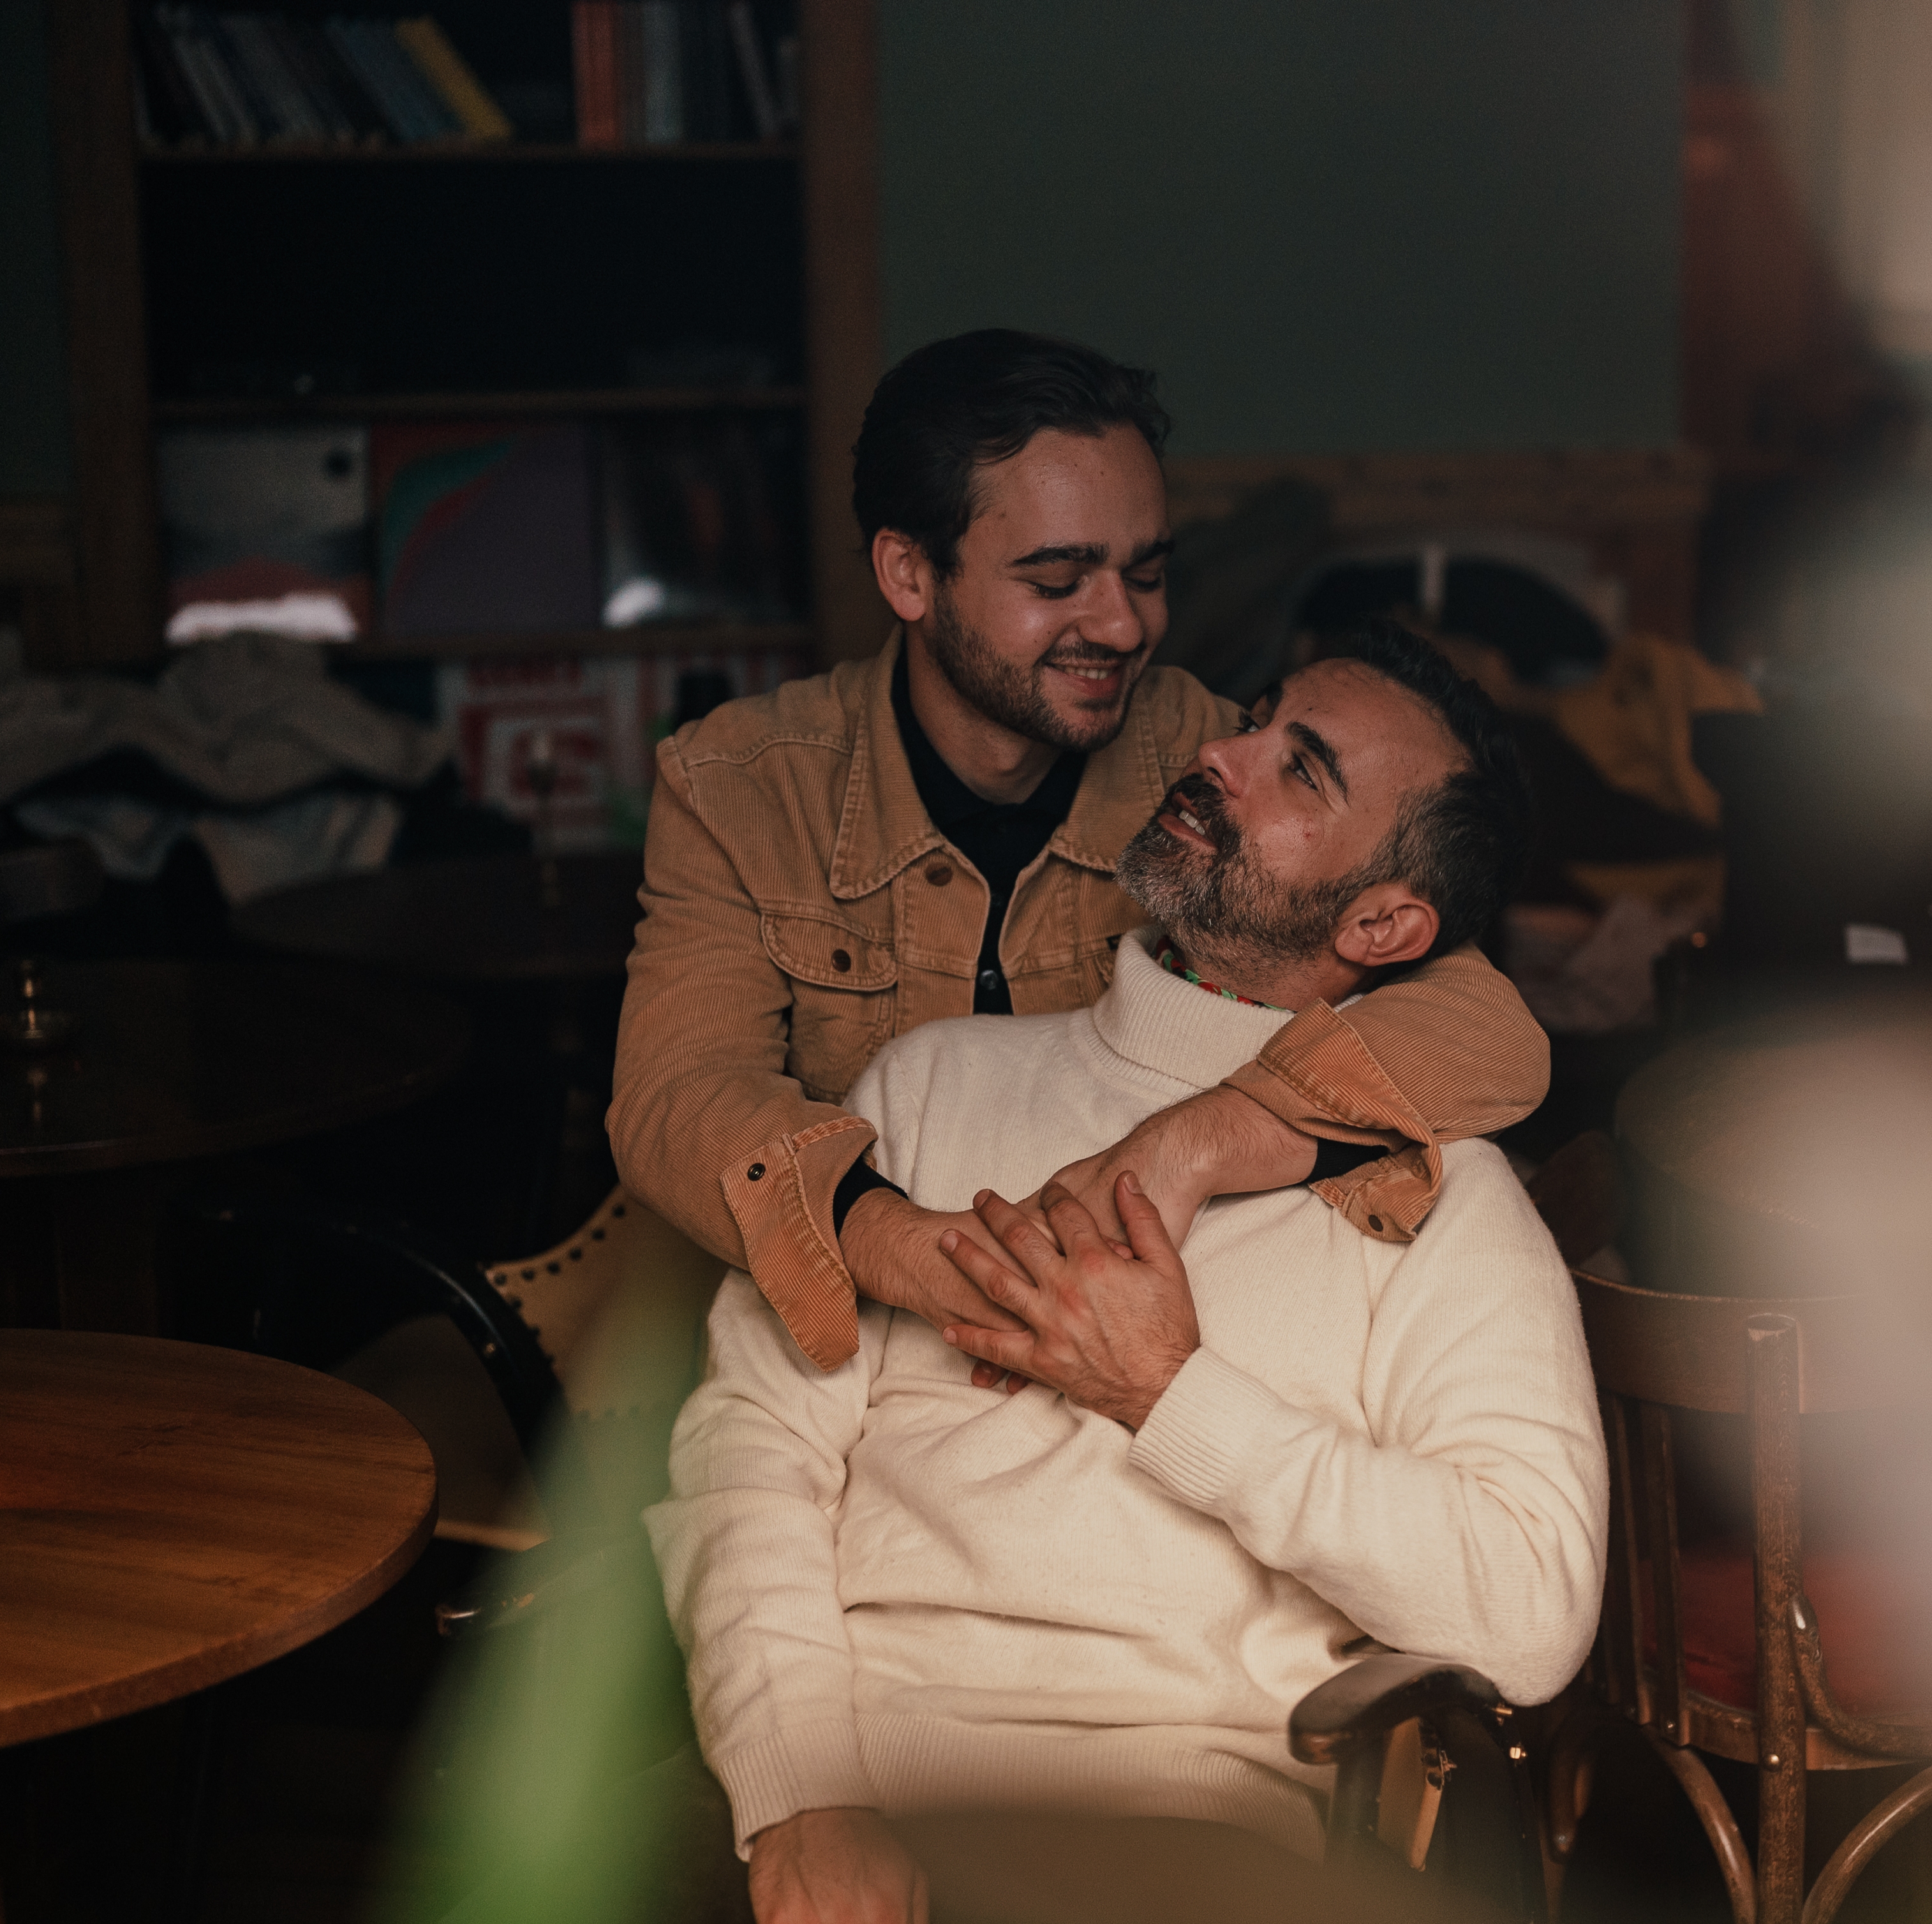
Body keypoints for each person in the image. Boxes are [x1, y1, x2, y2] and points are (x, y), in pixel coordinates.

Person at [646, 626, 1606, 1923]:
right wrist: (802, 1793)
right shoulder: (933, 1081)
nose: (1220, 753)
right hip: (840, 1778)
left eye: (1301, 769)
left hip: (1178, 1832)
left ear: (1384, 921)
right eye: (1254, 719)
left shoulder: (1438, 1196)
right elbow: (747, 1455)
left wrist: (1168, 1390)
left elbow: (1532, 1609)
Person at [611, 330, 1551, 1373]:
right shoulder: (740, 785)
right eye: (1058, 580)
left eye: (1145, 574)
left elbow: (1485, 1034)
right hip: (837, 1367)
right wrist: (924, 1254)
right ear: (910, 573)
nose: (1122, 626)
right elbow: (677, 1096)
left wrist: (1192, 1144)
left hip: (1134, 1350)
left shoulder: (1210, 764)